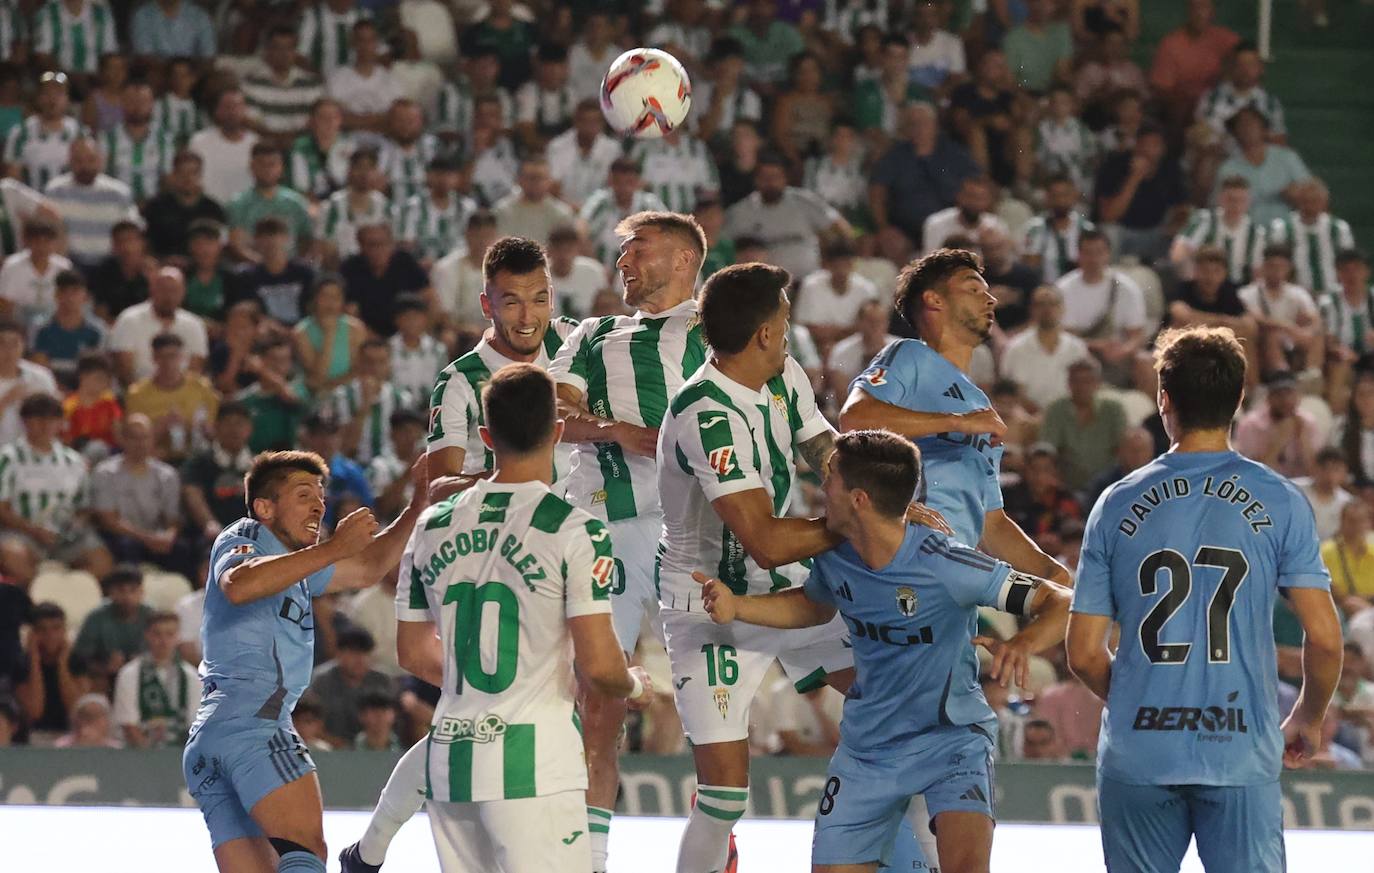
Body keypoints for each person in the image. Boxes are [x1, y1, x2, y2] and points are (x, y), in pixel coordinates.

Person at [694, 428, 1071, 873]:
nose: (820, 489)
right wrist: (739, 607)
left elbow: (1061, 600)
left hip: (951, 739)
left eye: (829, 479)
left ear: (858, 499)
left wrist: (1022, 642)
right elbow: (812, 606)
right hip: (866, 751)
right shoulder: (835, 556)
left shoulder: (946, 563)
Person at [339, 363, 650, 873]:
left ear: (485, 436)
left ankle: (369, 850)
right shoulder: (574, 530)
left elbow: (412, 654)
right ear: (557, 432)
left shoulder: (432, 524)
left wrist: (479, 685)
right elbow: (600, 669)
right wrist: (635, 685)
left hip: (453, 764)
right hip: (536, 768)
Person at [1067, 324, 1344, 873]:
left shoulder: (1116, 504)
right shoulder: (1281, 501)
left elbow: (1082, 654)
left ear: (1163, 398)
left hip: (1140, 754)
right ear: (1240, 399)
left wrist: (1135, 701)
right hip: (1239, 751)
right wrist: (1308, 718)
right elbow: (1326, 638)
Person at [654, 263, 867, 873]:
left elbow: (824, 450)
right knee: (723, 797)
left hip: (786, 592)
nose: (789, 330)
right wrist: (858, 523)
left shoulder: (782, 375)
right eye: (785, 319)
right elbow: (767, 540)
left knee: (889, 706)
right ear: (767, 334)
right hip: (709, 605)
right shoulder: (705, 412)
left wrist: (867, 491)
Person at [547, 211, 708, 873]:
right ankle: (591, 857)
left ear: (681, 257)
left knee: (716, 700)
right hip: (606, 529)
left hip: (700, 535)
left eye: (637, 249)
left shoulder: (722, 330)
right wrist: (615, 430)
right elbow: (553, 413)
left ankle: (717, 841)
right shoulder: (594, 332)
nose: (623, 264)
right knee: (597, 699)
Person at [182, 447, 425, 873]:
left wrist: (419, 503)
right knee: (306, 851)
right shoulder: (246, 535)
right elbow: (239, 585)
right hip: (255, 726)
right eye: (302, 494)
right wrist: (333, 547)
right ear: (265, 507)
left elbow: (368, 567)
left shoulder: (295, 565)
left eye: (320, 494)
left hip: (211, 739)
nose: (318, 503)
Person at [428, 236, 577, 482]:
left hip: (582, 512)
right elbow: (439, 487)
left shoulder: (568, 338)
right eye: (511, 303)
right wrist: (513, 479)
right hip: (504, 519)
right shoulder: (459, 381)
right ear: (487, 306)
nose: (527, 318)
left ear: (551, 299)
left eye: (539, 300)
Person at [0, 393, 111, 578]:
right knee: (14, 555)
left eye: (51, 418)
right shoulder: (7, 458)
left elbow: (83, 506)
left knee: (102, 562)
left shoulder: (74, 461)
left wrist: (75, 525)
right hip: (22, 533)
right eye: (38, 418)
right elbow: (2, 509)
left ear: (60, 423)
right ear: (25, 422)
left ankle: (68, 598)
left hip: (65, 535)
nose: (45, 424)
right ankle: (36, 599)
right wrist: (34, 530)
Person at [868, 102, 980, 248]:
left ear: (935, 125)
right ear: (906, 129)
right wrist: (884, 228)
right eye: (913, 124)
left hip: (952, 225)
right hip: (906, 229)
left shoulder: (954, 153)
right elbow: (876, 192)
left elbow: (977, 183)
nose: (918, 129)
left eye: (923, 123)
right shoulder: (894, 157)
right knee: (893, 243)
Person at [723, 151, 849, 281]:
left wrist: (832, 258)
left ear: (785, 178)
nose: (771, 183)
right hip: (763, 286)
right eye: (765, 177)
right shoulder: (740, 211)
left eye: (776, 177)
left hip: (807, 281)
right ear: (756, 180)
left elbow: (840, 227)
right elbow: (723, 245)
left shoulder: (803, 201)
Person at [90, 412, 186, 570]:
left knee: (181, 548)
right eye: (134, 437)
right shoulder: (105, 472)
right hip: (123, 537)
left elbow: (172, 519)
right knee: (126, 546)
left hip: (156, 536)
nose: (140, 443)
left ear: (152, 439)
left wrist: (169, 535)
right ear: (123, 439)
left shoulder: (167, 474)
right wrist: (147, 538)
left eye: (145, 437)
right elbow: (109, 520)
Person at [1053, 229, 1147, 384]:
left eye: (1099, 252)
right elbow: (1061, 334)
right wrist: (1097, 346)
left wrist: (1123, 350)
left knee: (1145, 361)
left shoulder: (1126, 288)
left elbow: (1137, 335)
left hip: (1115, 356)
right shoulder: (1063, 289)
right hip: (1076, 355)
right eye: (1088, 253)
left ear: (1108, 254)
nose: (1093, 259)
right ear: (1079, 255)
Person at [44, 136, 138, 272]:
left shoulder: (118, 193)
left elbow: (131, 232)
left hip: (110, 265)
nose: (85, 166)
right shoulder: (55, 191)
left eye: (91, 160)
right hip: (69, 265)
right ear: (69, 161)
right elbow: (49, 232)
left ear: (101, 161)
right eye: (79, 160)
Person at [124, 333, 219, 463]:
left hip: (197, 455)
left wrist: (191, 426)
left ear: (182, 357)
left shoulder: (202, 387)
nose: (168, 362)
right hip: (155, 458)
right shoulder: (137, 393)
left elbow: (212, 431)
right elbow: (134, 438)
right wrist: (162, 426)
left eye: (173, 356)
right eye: (162, 357)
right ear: (154, 358)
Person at [111, 610, 199, 748]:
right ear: (147, 635)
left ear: (178, 637)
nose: (163, 641)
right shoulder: (129, 674)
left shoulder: (191, 676)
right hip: (139, 755)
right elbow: (128, 725)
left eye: (170, 634)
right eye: (157, 634)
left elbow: (195, 725)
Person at [108, 265, 209, 385]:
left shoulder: (194, 325)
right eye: (163, 290)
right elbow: (123, 370)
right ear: (152, 290)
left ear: (183, 292)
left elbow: (195, 370)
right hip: (138, 395)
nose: (169, 296)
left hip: (181, 397)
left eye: (174, 290)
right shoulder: (129, 320)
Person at [1239, 243, 1322, 376]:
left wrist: (1309, 331)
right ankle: (1280, 375)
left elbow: (1314, 318)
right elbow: (1257, 318)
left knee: (1317, 335)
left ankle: (1311, 375)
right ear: (1264, 267)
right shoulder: (1248, 293)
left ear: (1289, 269)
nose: (1276, 271)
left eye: (1281, 267)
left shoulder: (1298, 293)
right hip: (1264, 342)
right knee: (1273, 335)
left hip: (1294, 338)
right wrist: (1288, 326)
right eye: (1272, 266)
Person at [329, 338, 414, 465]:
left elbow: (408, 447)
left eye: (381, 362)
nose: (375, 368)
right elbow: (345, 449)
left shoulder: (402, 399)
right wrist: (365, 403)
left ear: (389, 364)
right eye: (369, 362)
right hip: (353, 469)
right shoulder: (340, 397)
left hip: (390, 471)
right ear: (359, 363)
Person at [306, 626, 394, 747]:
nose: (360, 659)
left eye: (365, 653)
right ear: (339, 654)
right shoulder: (321, 681)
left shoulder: (382, 681)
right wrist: (342, 746)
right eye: (353, 653)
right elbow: (308, 721)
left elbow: (395, 723)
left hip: (376, 749)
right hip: (331, 749)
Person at [792, 235, 879, 357]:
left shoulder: (866, 289)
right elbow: (807, 329)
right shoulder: (811, 285)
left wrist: (836, 337)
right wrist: (848, 330)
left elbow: (871, 325)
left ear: (853, 263)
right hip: (816, 348)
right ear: (827, 265)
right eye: (837, 265)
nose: (841, 270)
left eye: (846, 263)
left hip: (857, 348)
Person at [1171, 176, 1266, 286]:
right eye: (1231, 199)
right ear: (1220, 199)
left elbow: (1257, 271)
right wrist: (1191, 280)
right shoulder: (1204, 220)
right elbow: (1178, 252)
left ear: (1248, 201)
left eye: (1242, 200)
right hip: (1203, 285)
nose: (1236, 206)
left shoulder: (1255, 232)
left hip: (1239, 289)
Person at [1268, 178, 1356, 297]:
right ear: (1298, 202)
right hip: (1295, 295)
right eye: (1306, 201)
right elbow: (1276, 264)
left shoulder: (1339, 229)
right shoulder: (1282, 229)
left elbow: (1348, 264)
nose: (1310, 206)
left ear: (1324, 202)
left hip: (1333, 293)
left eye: (1315, 201)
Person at [181, 401, 254, 543]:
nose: (234, 430)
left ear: (249, 429)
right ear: (216, 427)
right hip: (210, 537)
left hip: (251, 537)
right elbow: (192, 495)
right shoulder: (199, 462)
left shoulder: (259, 465)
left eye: (239, 424)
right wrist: (210, 524)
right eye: (228, 424)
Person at [227, 143, 314, 260]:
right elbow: (237, 245)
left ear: (281, 168)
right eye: (262, 164)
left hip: (292, 269)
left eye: (272, 164)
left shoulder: (296, 203)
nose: (267, 169)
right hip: (253, 270)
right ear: (251, 167)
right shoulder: (238, 204)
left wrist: (290, 267)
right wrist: (266, 267)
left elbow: (307, 241)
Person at [340, 222, 428, 336]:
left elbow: (429, 295)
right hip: (367, 336)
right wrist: (375, 341)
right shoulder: (350, 268)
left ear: (392, 244)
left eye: (383, 244)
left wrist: (422, 334)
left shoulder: (405, 261)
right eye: (371, 245)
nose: (378, 250)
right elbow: (348, 312)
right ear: (361, 246)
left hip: (406, 334)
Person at [579, 156, 667, 270]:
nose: (623, 188)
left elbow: (667, 232)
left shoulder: (650, 204)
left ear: (637, 182)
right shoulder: (600, 201)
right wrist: (597, 268)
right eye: (618, 182)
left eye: (628, 183)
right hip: (602, 270)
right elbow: (581, 230)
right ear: (610, 181)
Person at [242, 25, 324, 147]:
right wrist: (277, 140)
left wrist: (291, 141)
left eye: (289, 48)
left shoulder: (312, 83)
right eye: (277, 48)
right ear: (267, 50)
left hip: (301, 146)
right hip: (264, 147)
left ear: (296, 51)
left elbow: (317, 120)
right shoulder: (251, 83)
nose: (284, 53)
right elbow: (250, 122)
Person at [1233, 369, 1320, 480]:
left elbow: (1315, 475)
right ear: (1268, 398)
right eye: (1279, 394)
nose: (1286, 400)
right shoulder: (1250, 425)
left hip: (1300, 489)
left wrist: (1303, 438)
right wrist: (1279, 442)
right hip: (1264, 487)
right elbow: (1252, 475)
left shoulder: (1308, 423)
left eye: (1290, 393)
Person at [141, 151, 227, 261]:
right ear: (173, 175)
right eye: (182, 173)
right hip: (164, 267)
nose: (188, 178)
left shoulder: (214, 209)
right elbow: (146, 244)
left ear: (201, 175)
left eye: (193, 173)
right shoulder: (155, 207)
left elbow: (221, 246)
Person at [3, 71, 83, 190]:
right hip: (32, 202)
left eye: (59, 93)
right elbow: (12, 178)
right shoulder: (21, 133)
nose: (53, 98)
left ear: (67, 99)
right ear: (38, 98)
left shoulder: (78, 132)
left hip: (69, 202)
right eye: (47, 93)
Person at [74, 565, 155, 679]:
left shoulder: (152, 616)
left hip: (146, 677)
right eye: (121, 590)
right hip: (105, 680)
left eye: (133, 590)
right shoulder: (96, 617)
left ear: (141, 592)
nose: (127, 597)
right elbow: (78, 661)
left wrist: (145, 661)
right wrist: (104, 667)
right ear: (111, 592)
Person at [293, 274, 364, 396]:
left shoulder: (355, 328)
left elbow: (358, 370)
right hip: (313, 394)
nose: (330, 303)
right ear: (315, 298)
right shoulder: (301, 332)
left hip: (346, 390)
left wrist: (331, 388)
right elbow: (317, 376)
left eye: (336, 297)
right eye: (325, 296)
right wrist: (329, 334)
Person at [188, 87, 260, 205]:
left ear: (245, 110)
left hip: (246, 212)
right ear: (217, 111)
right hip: (209, 209)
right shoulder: (199, 141)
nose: (232, 112)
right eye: (227, 107)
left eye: (237, 106)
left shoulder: (256, 143)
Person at [0, 216, 71, 327]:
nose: (42, 247)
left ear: (56, 243)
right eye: (37, 241)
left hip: (54, 325)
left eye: (47, 241)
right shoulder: (12, 266)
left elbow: (68, 302)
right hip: (19, 324)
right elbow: (5, 306)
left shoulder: (64, 267)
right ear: (26, 241)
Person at [29, 269, 105, 371]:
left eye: (75, 291)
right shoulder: (39, 327)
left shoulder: (98, 330)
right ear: (56, 295)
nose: (69, 297)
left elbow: (96, 369)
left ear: (86, 296)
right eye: (63, 291)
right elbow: (38, 367)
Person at [0, 319, 59, 445]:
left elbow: (55, 419)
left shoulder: (41, 377)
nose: (8, 351)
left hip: (33, 452)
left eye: (15, 344)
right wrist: (5, 401)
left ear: (24, 345)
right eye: (2, 344)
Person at [1321, 499, 1374, 619]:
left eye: (1361, 521)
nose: (1357, 526)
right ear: (1342, 522)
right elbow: (1329, 589)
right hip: (1340, 610)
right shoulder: (1327, 551)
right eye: (1351, 521)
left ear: (1369, 523)